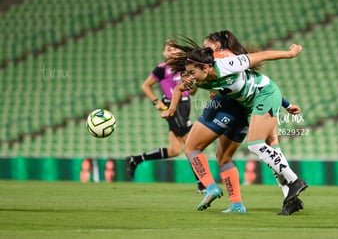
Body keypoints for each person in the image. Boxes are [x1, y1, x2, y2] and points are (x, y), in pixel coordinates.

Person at [164, 35, 307, 214]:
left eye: (192, 72)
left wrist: (290, 54)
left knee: (256, 145)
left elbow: (260, 57)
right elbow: (179, 88)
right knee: (270, 148)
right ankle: (290, 197)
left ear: (207, 67)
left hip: (265, 94)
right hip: (250, 103)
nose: (189, 77)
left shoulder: (227, 64)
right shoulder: (198, 77)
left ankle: (294, 181)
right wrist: (171, 109)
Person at [126, 40, 205, 193]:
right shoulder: (162, 69)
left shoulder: (185, 68)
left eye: (175, 49)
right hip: (172, 108)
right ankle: (202, 183)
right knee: (192, 146)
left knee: (175, 150)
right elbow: (145, 85)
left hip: (185, 106)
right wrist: (156, 101)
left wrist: (193, 85)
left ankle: (135, 159)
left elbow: (192, 92)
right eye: (169, 49)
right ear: (164, 53)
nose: (173, 52)